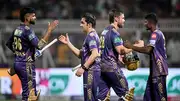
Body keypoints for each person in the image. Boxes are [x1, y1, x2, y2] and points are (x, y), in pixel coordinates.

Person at [6, 7, 59, 101]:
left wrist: (23, 54)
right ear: (27, 17)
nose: (35, 18)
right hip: (26, 66)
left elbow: (9, 44)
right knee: (30, 96)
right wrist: (50, 30)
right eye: (33, 16)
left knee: (28, 94)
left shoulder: (16, 29)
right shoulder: (27, 30)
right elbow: (39, 45)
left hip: (18, 64)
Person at [124, 13, 168, 101]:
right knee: (147, 98)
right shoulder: (157, 34)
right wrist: (140, 46)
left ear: (151, 23)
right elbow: (150, 51)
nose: (144, 24)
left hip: (159, 72)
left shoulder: (155, 34)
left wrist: (131, 47)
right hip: (154, 73)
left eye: (146, 22)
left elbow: (148, 50)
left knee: (160, 98)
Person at [59, 13, 101, 101]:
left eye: (82, 22)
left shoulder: (91, 36)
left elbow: (95, 54)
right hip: (90, 72)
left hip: (91, 72)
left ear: (89, 25)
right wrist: (68, 43)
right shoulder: (90, 37)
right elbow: (80, 54)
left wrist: (83, 68)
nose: (80, 25)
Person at [98, 9, 136, 101]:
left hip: (101, 68)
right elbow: (121, 50)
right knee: (127, 96)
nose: (124, 20)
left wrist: (118, 57)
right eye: (122, 18)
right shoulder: (114, 33)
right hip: (112, 68)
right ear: (116, 19)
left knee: (102, 98)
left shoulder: (104, 31)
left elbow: (107, 49)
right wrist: (135, 47)